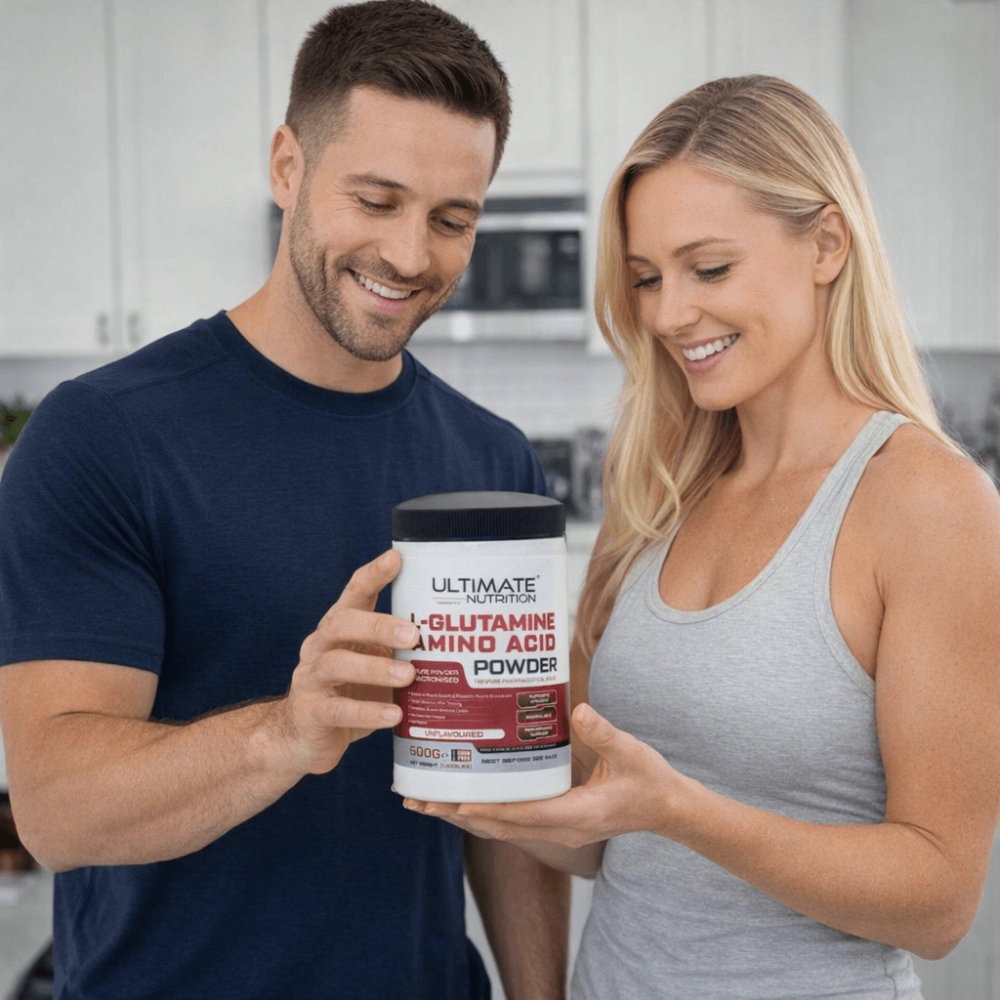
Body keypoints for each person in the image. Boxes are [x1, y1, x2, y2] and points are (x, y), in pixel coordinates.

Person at [0, 3, 570, 998]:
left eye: (452, 217)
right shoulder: (102, 435)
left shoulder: (492, 460)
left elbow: (505, 807)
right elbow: (54, 809)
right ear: (286, 167)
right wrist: (287, 734)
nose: (410, 255)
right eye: (377, 199)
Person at [405, 75, 1000, 998]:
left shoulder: (926, 503)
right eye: (646, 278)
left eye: (709, 268)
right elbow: (600, 841)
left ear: (826, 245)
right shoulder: (652, 490)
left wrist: (681, 810)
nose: (668, 314)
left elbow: (938, 903)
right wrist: (453, 736)